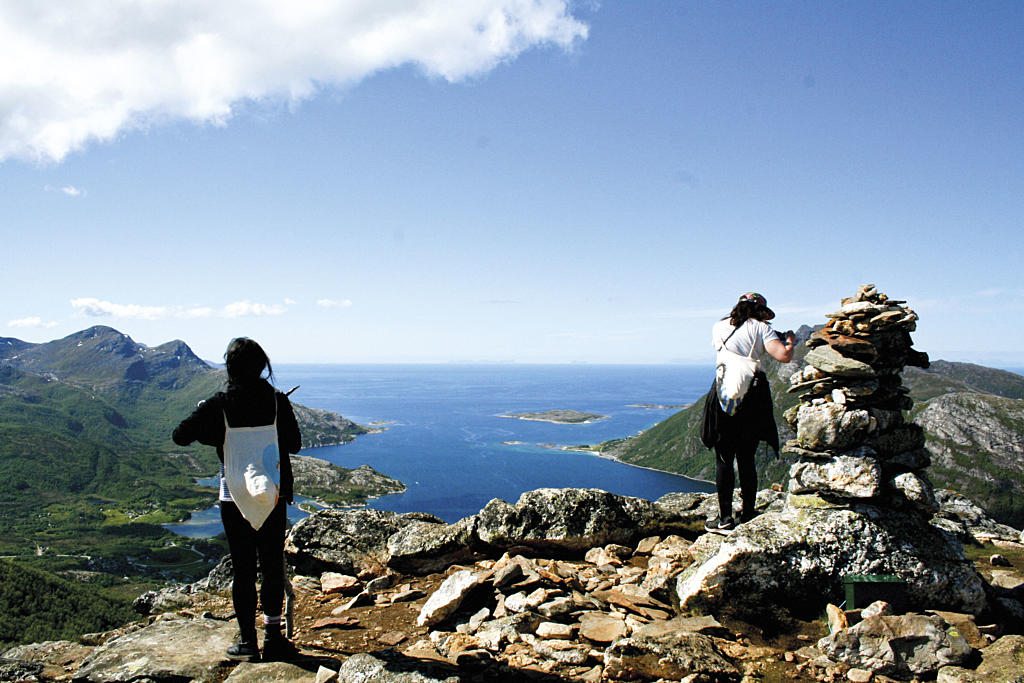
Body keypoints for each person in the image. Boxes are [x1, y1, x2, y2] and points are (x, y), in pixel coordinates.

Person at [173, 338, 301, 662]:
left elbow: (181, 435)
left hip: (234, 496)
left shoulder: (220, 403)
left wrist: (217, 431)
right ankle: (274, 638)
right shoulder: (276, 402)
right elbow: (295, 444)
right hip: (272, 493)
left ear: (230, 366)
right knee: (272, 565)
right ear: (261, 366)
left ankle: (248, 642)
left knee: (242, 569)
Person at [702, 292, 794, 533]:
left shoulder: (719, 326)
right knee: (746, 457)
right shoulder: (762, 329)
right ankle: (748, 513)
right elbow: (783, 356)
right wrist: (790, 342)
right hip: (752, 397)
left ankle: (724, 519)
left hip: (722, 395)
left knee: (723, 458)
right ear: (760, 311)